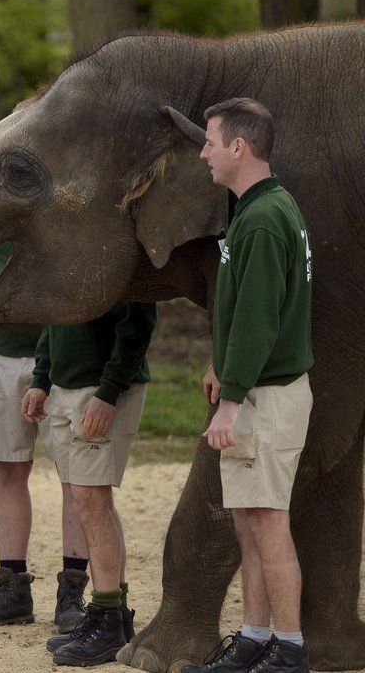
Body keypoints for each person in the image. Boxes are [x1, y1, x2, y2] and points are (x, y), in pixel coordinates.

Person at [181, 98, 313, 673]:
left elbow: (261, 319)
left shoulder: (262, 218)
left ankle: (289, 650)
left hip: (266, 396)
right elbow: (250, 309)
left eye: (210, 141)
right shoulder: (261, 208)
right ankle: (256, 639)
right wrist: (220, 362)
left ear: (238, 147)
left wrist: (231, 400)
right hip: (258, 388)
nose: (204, 152)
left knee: (267, 521)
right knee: (249, 519)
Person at [0, 241, 90, 634]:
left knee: (76, 476)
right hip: (1, 353)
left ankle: (73, 594)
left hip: (67, 355)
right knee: (7, 468)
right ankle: (12, 588)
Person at [23, 302, 156, 667]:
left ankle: (107, 617)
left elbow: (139, 322)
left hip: (100, 391)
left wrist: (109, 391)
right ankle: (113, 613)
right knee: (93, 503)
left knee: (91, 503)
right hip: (68, 386)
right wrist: (41, 378)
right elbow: (55, 316)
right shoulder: (66, 250)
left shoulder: (118, 252)